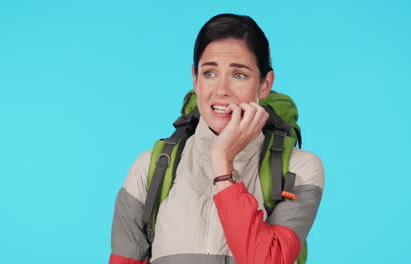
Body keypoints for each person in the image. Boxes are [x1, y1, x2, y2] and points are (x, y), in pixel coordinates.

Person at [109, 13, 324, 264]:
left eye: (239, 75)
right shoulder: (150, 168)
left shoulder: (298, 168)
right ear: (195, 78)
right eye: (210, 73)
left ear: (265, 84)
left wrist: (223, 162)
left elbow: (268, 260)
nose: (221, 90)